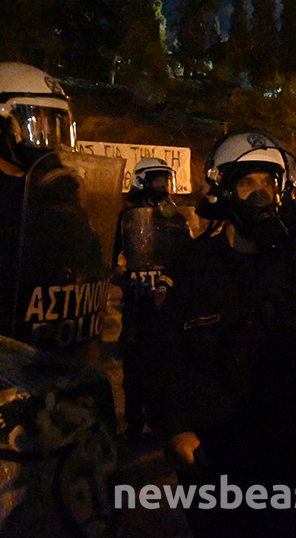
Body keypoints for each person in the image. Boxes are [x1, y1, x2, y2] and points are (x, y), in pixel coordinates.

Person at [146, 129, 296, 537]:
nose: (261, 195)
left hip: (282, 447)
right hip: (211, 448)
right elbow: (163, 353)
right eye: (247, 183)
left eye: (268, 183)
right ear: (224, 190)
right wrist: (176, 427)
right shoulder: (192, 264)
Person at [0, 62, 76, 337]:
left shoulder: (57, 194)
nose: (47, 141)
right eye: (36, 125)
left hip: (47, 345)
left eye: (54, 126)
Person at [111, 157, 190, 441]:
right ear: (141, 181)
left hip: (166, 301)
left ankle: (164, 422)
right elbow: (114, 257)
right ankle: (134, 423)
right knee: (134, 364)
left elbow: (186, 257)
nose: (162, 186)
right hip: (137, 301)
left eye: (165, 180)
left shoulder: (175, 219)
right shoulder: (127, 218)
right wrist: (118, 273)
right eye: (157, 179)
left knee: (167, 364)